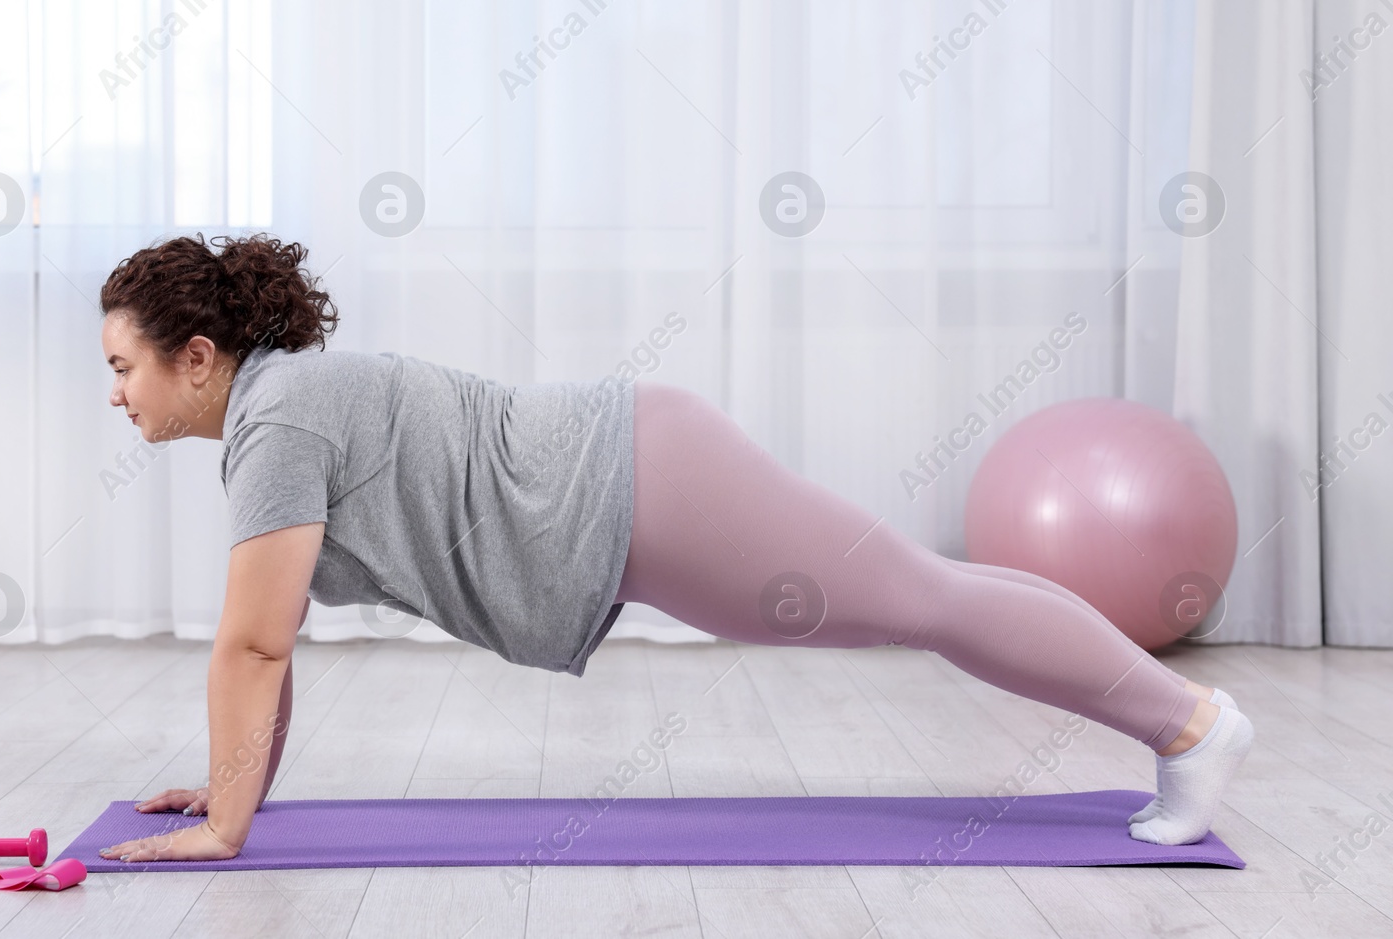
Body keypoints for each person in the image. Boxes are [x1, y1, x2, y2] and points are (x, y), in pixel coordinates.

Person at [96, 232, 1252, 864]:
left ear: (197, 355)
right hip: (633, 479)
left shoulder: (278, 420)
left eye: (122, 366)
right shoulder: (279, 416)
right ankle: (1181, 720)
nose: (115, 393)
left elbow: (249, 644)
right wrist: (233, 787)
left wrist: (228, 826)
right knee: (923, 590)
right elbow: (270, 643)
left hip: (632, 485)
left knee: (922, 598)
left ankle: (1193, 725)